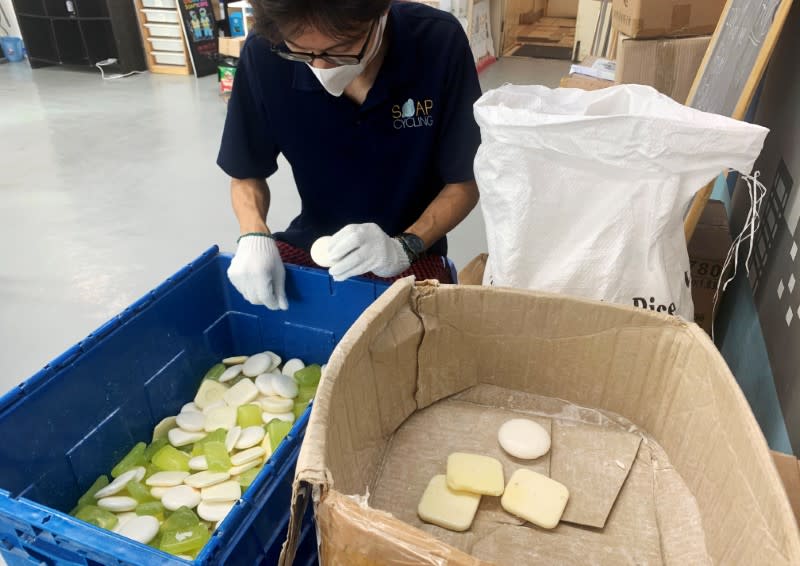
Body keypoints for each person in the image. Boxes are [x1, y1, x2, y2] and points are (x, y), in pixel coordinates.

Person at [218, 0, 482, 310]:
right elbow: (245, 170)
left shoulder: (438, 43)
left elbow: (465, 181)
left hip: (413, 249)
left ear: (381, 13)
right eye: (301, 51)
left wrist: (404, 247)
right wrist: (253, 232)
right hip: (316, 243)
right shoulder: (266, 50)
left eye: (340, 49)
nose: (320, 67)